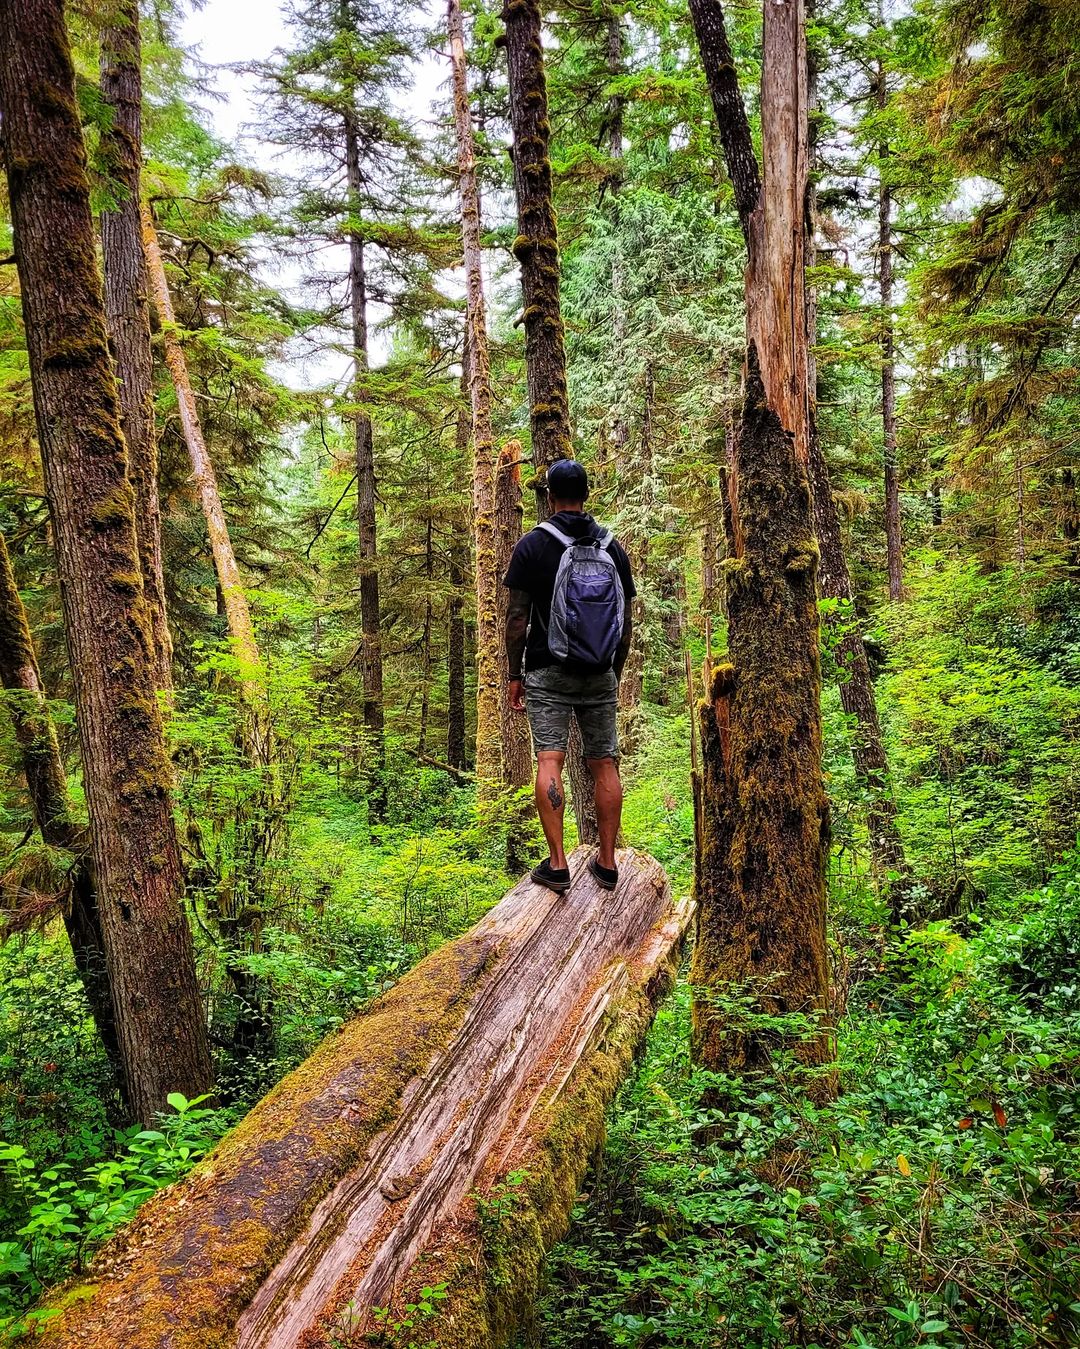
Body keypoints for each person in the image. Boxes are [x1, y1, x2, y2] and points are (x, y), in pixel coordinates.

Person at [503, 459, 635, 893]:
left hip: (547, 668)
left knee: (549, 759)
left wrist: (514, 673)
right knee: (604, 763)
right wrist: (612, 671)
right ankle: (608, 861)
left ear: (550, 495)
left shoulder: (533, 545)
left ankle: (558, 864)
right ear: (586, 494)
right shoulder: (612, 547)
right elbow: (625, 619)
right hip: (600, 672)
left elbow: (518, 616)